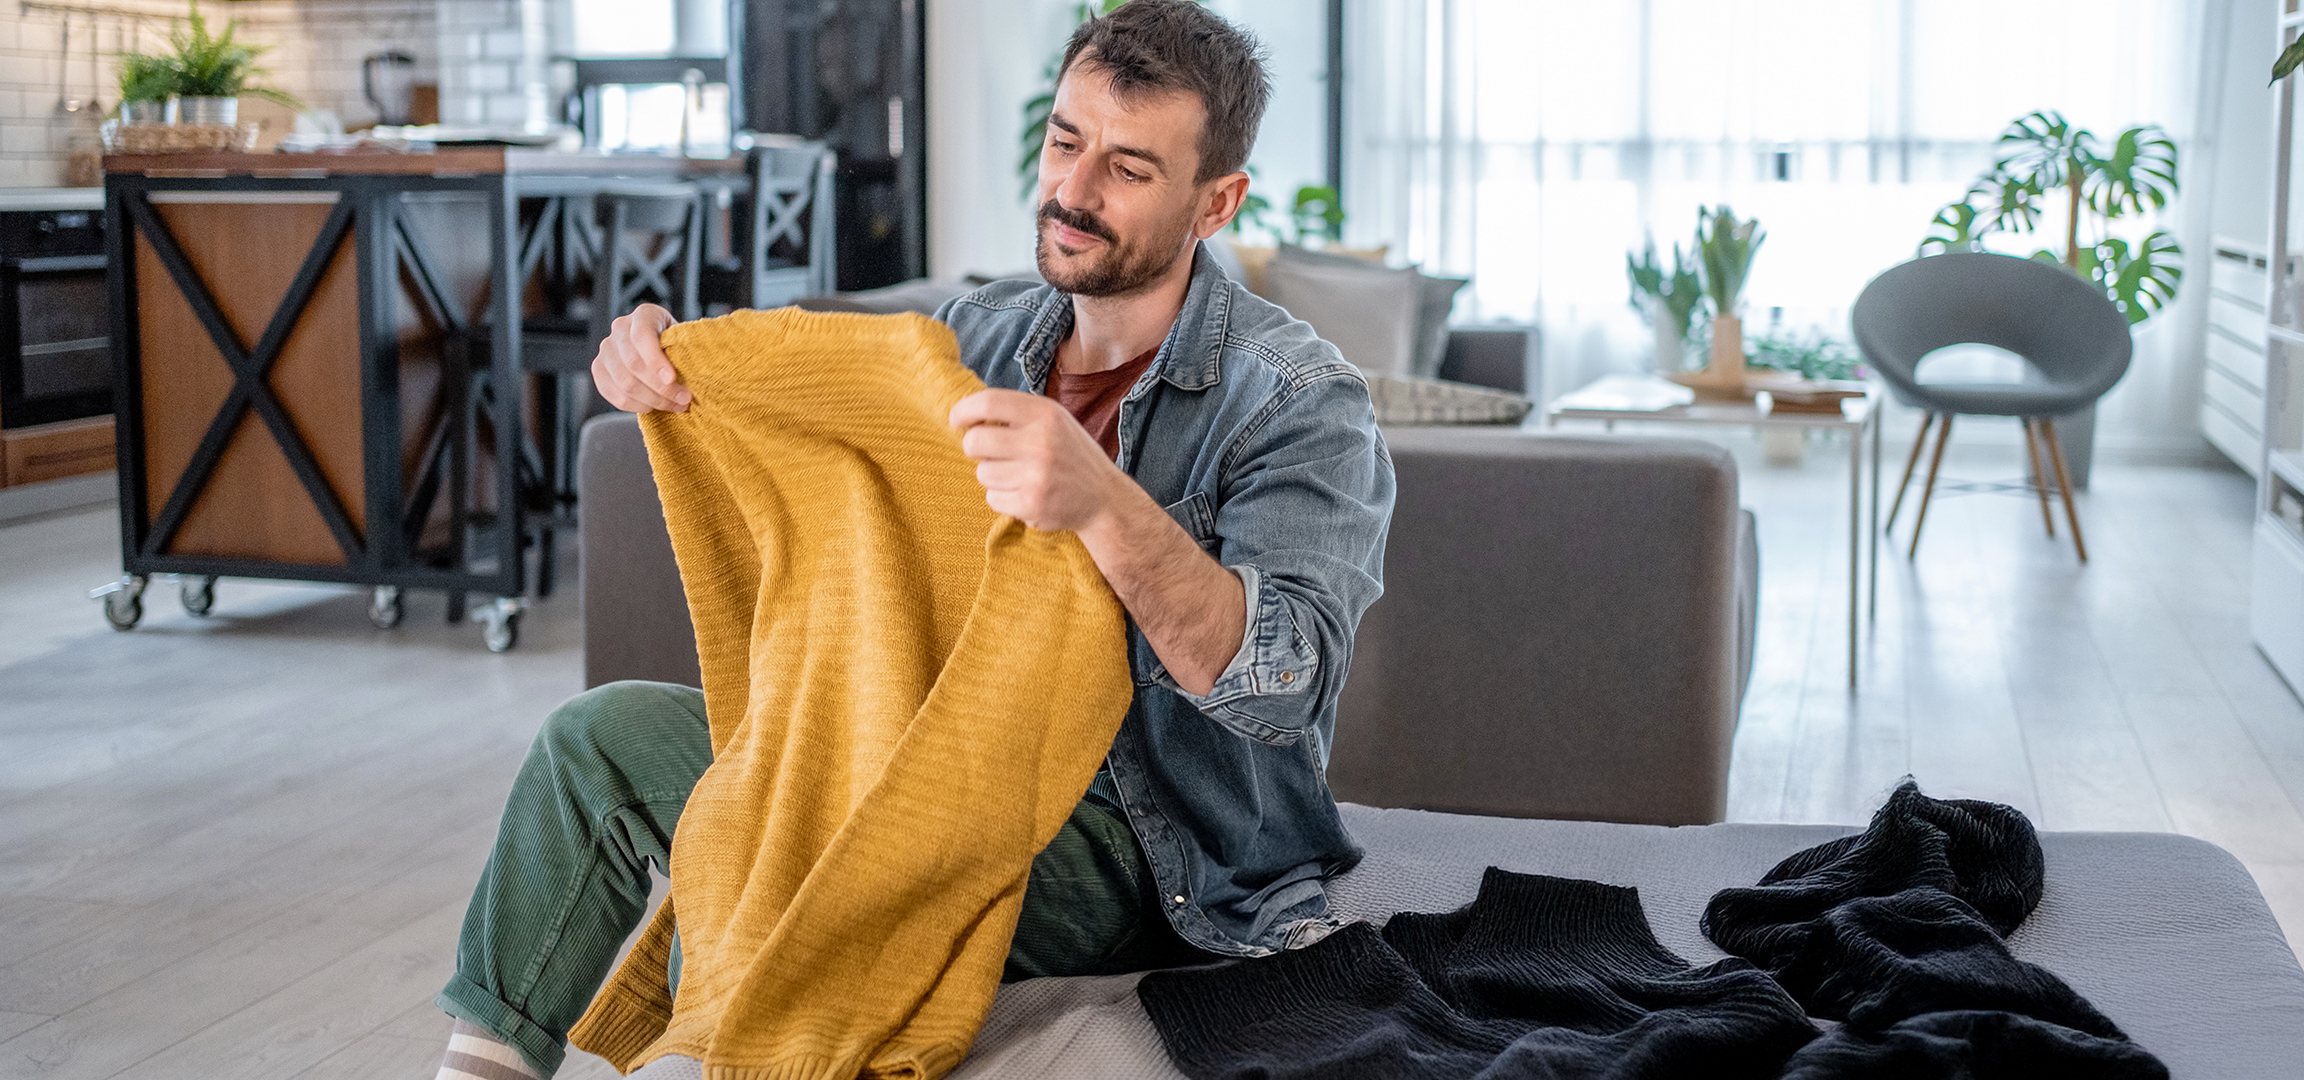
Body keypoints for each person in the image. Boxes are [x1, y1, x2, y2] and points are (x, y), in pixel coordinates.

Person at [433, 3, 1393, 1078]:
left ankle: (714, 1052)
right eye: (1065, 142)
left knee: (814, 852)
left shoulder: (1300, 400)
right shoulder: (976, 338)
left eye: (1127, 168)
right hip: (912, 742)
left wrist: (1102, 504)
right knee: (594, 743)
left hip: (1145, 839)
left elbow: (1285, 686)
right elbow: (807, 404)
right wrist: (663, 362)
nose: (1073, 193)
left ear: (1216, 202)